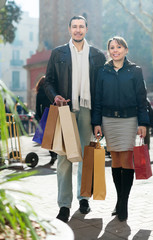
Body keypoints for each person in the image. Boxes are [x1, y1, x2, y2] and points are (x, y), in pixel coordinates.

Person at [44, 16, 106, 223]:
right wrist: (55, 96)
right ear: (69, 29)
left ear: (86, 29)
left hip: (88, 109)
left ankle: (84, 198)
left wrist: (99, 120)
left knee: (87, 155)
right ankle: (64, 204)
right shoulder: (58, 53)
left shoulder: (97, 55)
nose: (78, 30)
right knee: (64, 157)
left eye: (81, 27)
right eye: (74, 27)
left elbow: (101, 88)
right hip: (66, 110)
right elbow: (48, 82)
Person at [92, 36, 149, 222]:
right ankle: (119, 200)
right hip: (108, 120)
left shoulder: (135, 71)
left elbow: (142, 99)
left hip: (129, 120)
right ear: (108, 51)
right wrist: (96, 122)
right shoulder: (103, 71)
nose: (115, 50)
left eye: (118, 47)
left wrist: (143, 123)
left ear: (125, 50)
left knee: (126, 158)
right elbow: (97, 99)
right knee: (115, 158)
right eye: (111, 47)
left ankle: (123, 204)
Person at [35, 75, 57, 165]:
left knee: (46, 138)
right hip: (53, 112)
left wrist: (39, 117)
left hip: (45, 114)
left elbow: (37, 106)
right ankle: (55, 152)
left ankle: (52, 154)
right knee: (54, 135)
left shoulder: (39, 92)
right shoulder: (51, 91)